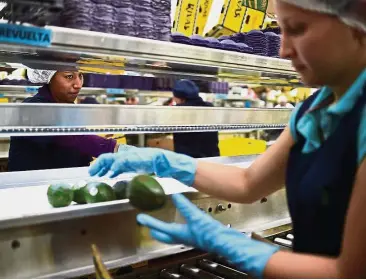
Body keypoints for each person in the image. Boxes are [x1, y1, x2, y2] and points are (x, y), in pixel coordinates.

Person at [89, 0, 366, 278]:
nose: (283, 50)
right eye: (282, 30)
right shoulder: (315, 109)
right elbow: (248, 184)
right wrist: (169, 163)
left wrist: (242, 248)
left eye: (297, 29)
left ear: (356, 24)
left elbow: (351, 273)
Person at [8, 69, 121, 172]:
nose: (78, 84)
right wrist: (114, 148)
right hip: (32, 187)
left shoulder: (69, 108)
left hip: (67, 185)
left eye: (80, 76)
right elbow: (68, 137)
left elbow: (79, 151)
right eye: (69, 76)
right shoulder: (33, 107)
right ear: (50, 78)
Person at [172, 79, 220, 158]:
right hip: (212, 158)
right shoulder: (209, 107)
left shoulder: (179, 111)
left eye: (174, 96)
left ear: (181, 98)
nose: (173, 99)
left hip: (189, 162)